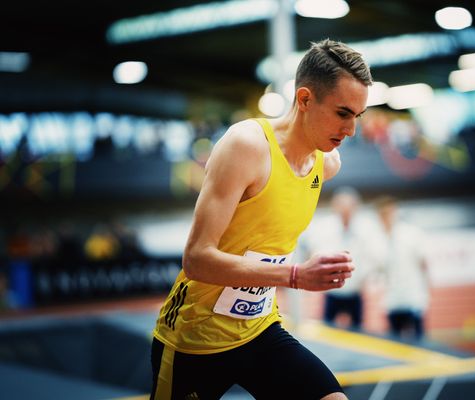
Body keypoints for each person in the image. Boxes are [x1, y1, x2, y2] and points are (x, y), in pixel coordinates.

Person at [150, 39, 372, 400]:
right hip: (193, 339)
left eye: (357, 117)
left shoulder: (327, 163)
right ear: (304, 100)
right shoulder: (247, 146)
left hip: (258, 330)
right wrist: (296, 276)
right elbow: (196, 259)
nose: (351, 131)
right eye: (343, 113)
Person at [302, 186, 373, 330]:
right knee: (328, 331)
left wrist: (364, 278)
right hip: (332, 291)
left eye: (349, 205)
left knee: (358, 333)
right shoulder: (324, 227)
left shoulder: (366, 229)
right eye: (341, 205)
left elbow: (371, 257)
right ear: (335, 207)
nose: (345, 210)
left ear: (355, 207)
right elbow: (313, 251)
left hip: (355, 290)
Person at [375, 196, 430, 341]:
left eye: (389, 213)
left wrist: (425, 292)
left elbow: (423, 263)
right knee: (395, 342)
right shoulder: (377, 239)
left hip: (412, 297)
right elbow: (378, 269)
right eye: (383, 214)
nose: (386, 217)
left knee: (419, 342)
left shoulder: (411, 234)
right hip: (392, 300)